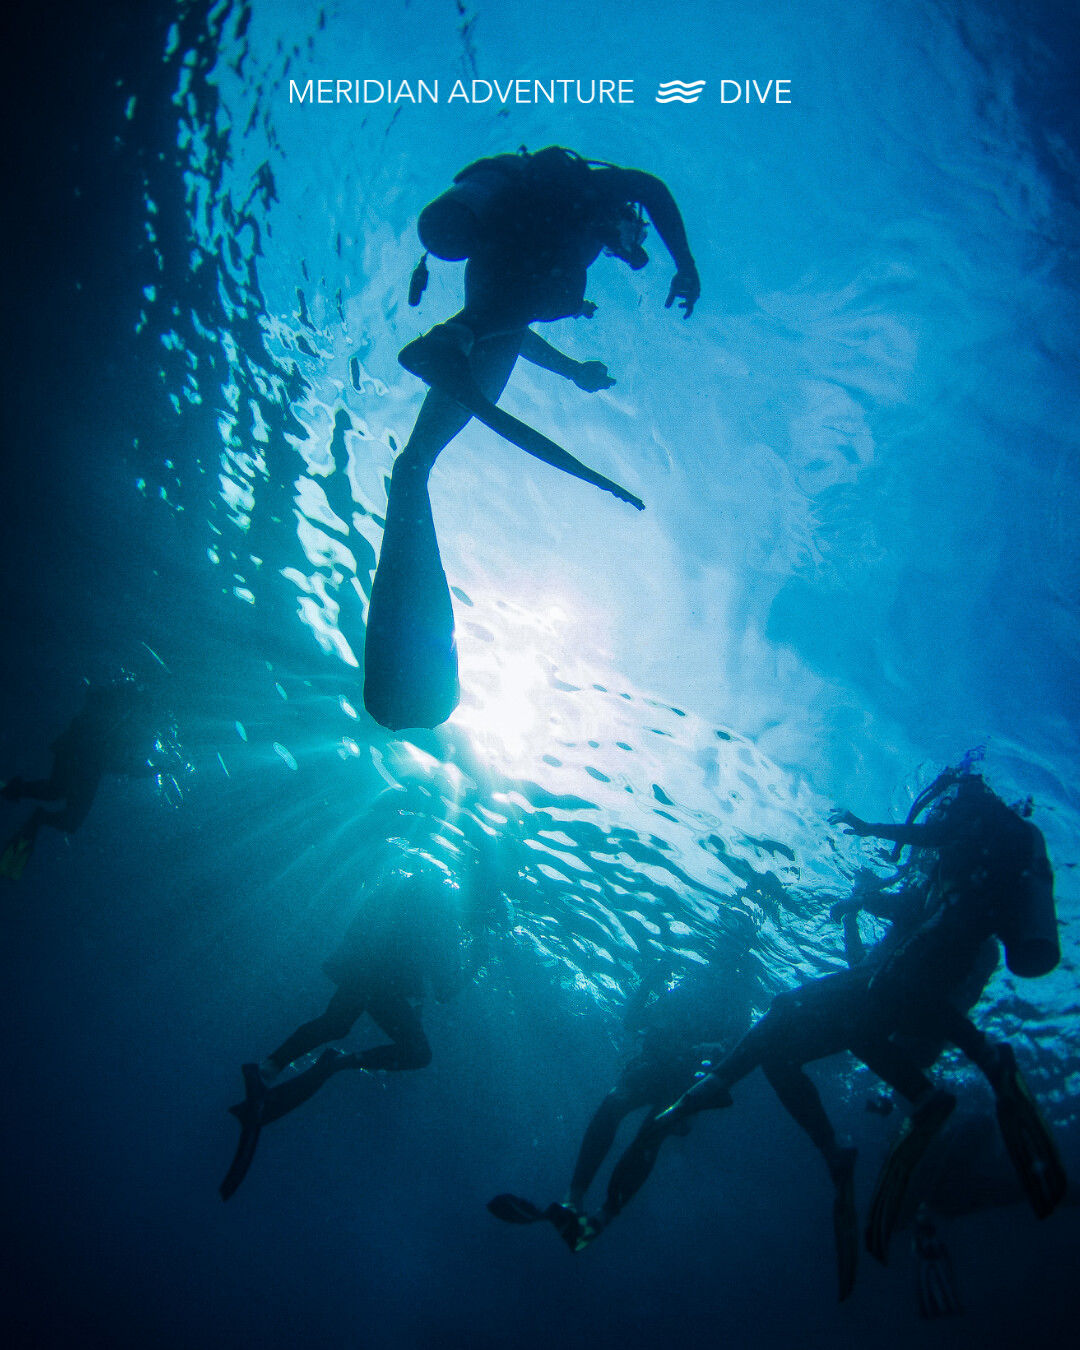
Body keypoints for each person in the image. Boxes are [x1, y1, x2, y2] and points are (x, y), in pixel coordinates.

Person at [649, 774, 1064, 1288]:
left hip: (927, 971)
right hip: (920, 986)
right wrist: (860, 904)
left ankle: (714, 1091)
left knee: (806, 1008)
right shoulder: (982, 856)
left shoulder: (975, 826)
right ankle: (899, 1115)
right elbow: (904, 923)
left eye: (941, 808)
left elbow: (927, 864)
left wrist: (868, 829)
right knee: (819, 1039)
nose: (935, 817)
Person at [364, 146, 701, 731]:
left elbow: (509, 325)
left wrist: (570, 371)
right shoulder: (586, 192)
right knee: (563, 292)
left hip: (492, 296)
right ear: (621, 214)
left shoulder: (535, 215)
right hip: (514, 289)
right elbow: (650, 186)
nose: (629, 244)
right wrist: (687, 264)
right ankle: (454, 339)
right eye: (630, 233)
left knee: (416, 464)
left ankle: (453, 341)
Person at [220, 808, 503, 1200]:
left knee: (336, 1022)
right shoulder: (447, 914)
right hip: (378, 978)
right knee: (418, 1052)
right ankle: (335, 1064)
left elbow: (388, 934)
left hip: (363, 966)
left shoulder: (432, 892)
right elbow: (445, 990)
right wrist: (479, 959)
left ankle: (269, 1068)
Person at [487, 954, 757, 1249]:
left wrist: (701, 1056)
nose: (714, 972)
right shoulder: (694, 992)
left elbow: (734, 1056)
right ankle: (579, 1206)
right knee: (623, 1113)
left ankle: (591, 1213)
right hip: (662, 1071)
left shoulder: (734, 1006)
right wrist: (651, 982)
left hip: (684, 1083)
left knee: (644, 1128)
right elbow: (633, 1022)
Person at [0, 677, 173, 880]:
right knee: (60, 801)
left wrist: (160, 768)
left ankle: (20, 798)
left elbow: (125, 764)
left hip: (85, 752)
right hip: (85, 751)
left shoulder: (136, 711)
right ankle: (24, 803)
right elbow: (126, 765)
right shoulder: (138, 714)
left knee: (59, 799)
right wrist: (162, 768)